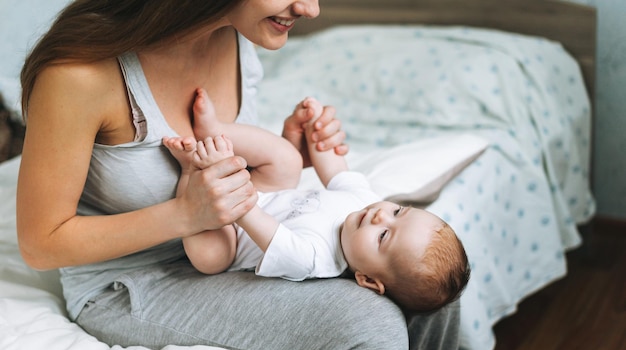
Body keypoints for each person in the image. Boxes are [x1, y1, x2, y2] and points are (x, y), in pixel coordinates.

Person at [16, 1, 462, 350]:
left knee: (432, 290)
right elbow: (41, 245)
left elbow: (228, 166)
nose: (311, 8)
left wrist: (287, 154)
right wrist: (185, 215)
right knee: (370, 329)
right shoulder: (79, 74)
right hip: (134, 280)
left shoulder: (234, 32)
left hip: (232, 243)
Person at [164, 90, 470, 313]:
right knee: (288, 159)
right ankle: (215, 132)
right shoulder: (366, 202)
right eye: (398, 211)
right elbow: (335, 169)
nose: (381, 217)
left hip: (232, 229)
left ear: (366, 279)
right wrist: (318, 132)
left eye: (384, 236)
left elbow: (248, 214)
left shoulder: (313, 259)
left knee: (210, 257)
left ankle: (192, 169)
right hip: (263, 193)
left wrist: (223, 174)